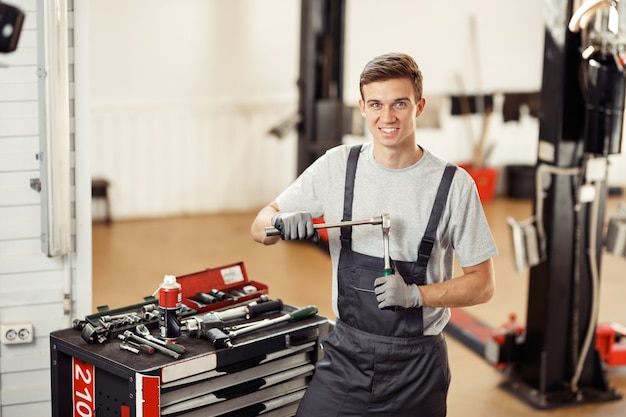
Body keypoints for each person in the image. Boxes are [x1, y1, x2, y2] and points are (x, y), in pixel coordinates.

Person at [250, 52, 497, 417]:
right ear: (362, 107)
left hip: (417, 367)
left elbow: (483, 284)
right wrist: (280, 223)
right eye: (377, 104)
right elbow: (259, 225)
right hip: (347, 354)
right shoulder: (338, 166)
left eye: (400, 103)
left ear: (419, 106)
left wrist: (417, 295)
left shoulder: (453, 185)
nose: (388, 117)